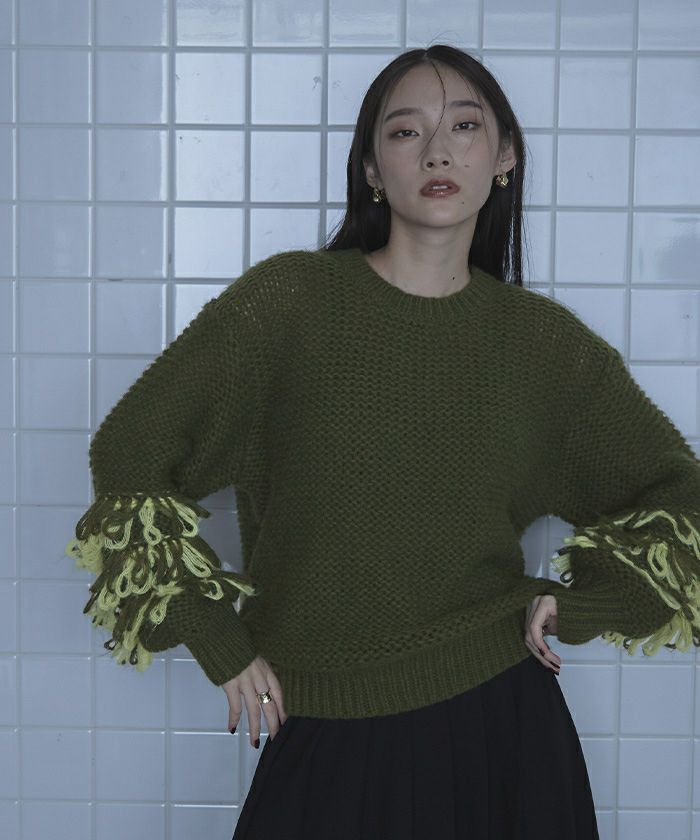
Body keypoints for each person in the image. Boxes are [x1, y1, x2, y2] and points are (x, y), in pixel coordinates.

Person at [65, 44, 700, 839]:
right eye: (405, 132)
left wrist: (582, 604)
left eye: (464, 126)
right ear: (371, 168)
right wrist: (210, 633)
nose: (437, 152)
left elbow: (680, 495)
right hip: (324, 731)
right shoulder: (288, 307)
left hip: (502, 727)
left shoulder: (544, 348)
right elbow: (130, 453)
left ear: (504, 156)